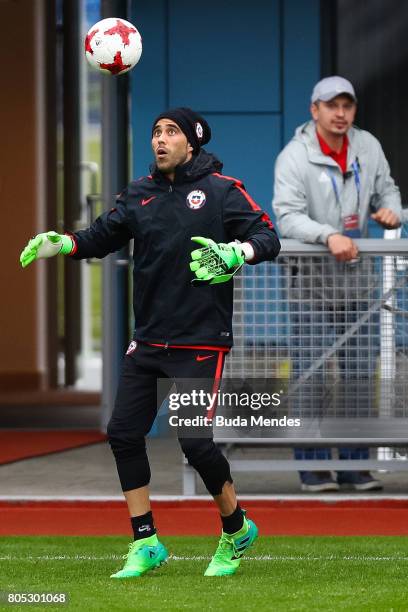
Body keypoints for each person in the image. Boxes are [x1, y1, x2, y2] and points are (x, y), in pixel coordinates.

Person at [20, 107, 281, 576]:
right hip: (148, 340)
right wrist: (62, 243)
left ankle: (237, 528)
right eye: (156, 132)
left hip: (201, 340)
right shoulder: (138, 195)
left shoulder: (223, 191)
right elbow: (101, 236)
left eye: (171, 132)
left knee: (196, 443)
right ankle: (146, 542)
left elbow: (268, 236)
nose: (160, 140)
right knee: (123, 433)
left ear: (192, 142)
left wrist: (235, 252)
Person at [272, 76, 402, 492]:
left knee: (360, 378)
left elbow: (389, 192)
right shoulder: (294, 156)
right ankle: (312, 467)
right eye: (332, 106)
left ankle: (354, 466)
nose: (340, 114)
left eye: (347, 106)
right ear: (315, 110)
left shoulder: (368, 146)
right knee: (310, 376)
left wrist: (392, 213)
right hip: (311, 286)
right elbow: (286, 217)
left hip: (358, 284)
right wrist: (328, 235)